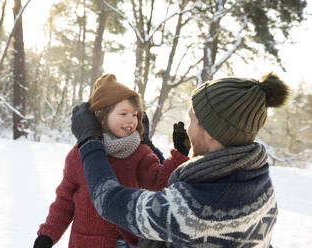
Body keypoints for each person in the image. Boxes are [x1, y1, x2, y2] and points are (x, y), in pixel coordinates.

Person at [70, 72, 289, 247]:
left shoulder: (196, 209)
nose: (188, 126)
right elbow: (171, 186)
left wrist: (89, 141)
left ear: (211, 132)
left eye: (191, 118)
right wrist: (148, 146)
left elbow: (108, 201)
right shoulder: (260, 186)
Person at [33, 74, 189, 248]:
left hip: (128, 242)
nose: (132, 120)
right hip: (87, 242)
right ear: (101, 116)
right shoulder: (79, 155)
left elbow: (158, 182)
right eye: (123, 114)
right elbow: (65, 200)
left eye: (135, 115)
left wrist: (180, 154)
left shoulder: (139, 152)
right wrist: (48, 235)